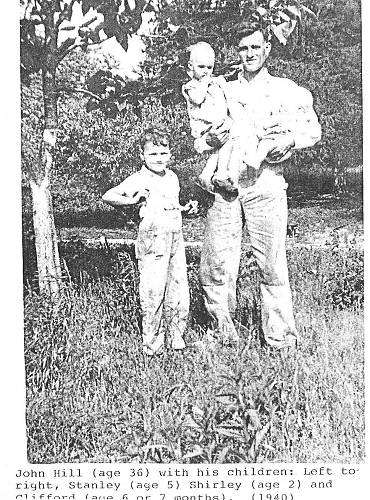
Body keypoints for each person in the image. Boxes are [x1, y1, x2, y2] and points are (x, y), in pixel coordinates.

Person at [196, 22, 322, 348]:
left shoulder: (285, 89)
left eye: (255, 47)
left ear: (267, 48)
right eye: (243, 48)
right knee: (217, 263)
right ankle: (222, 336)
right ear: (236, 52)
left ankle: (281, 340)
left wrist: (291, 141)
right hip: (226, 183)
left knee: (272, 264)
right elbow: (202, 137)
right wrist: (209, 138)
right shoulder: (222, 89)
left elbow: (312, 130)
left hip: (265, 182)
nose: (249, 54)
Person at [102, 127, 198, 355]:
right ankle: (152, 344)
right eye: (153, 154)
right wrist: (133, 200)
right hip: (152, 240)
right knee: (153, 290)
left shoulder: (172, 177)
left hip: (175, 238)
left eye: (163, 154)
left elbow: (169, 205)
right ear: (142, 155)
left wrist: (186, 209)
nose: (159, 159)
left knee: (178, 288)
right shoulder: (139, 178)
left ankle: (176, 336)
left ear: (170, 154)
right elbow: (108, 195)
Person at [182, 41, 276, 194]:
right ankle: (220, 175)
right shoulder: (191, 86)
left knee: (226, 145)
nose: (206, 72)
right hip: (205, 126)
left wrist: (228, 75)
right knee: (231, 138)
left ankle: (212, 175)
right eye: (201, 67)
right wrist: (207, 82)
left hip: (220, 124)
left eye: (209, 68)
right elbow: (198, 98)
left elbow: (224, 88)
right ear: (191, 66)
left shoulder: (212, 82)